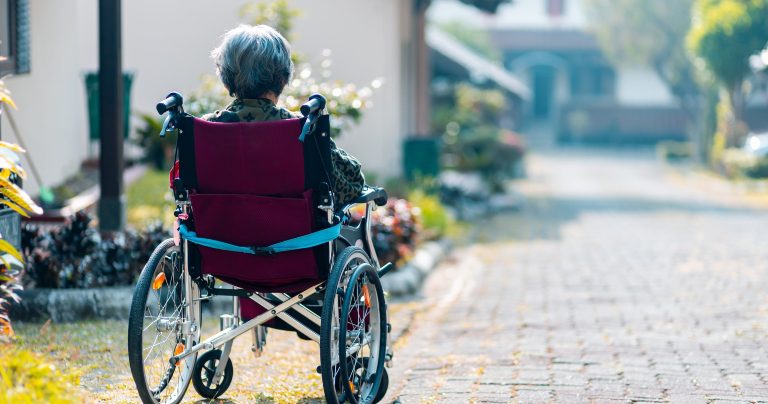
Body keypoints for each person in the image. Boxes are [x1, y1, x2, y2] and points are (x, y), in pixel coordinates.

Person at [203, 24, 365, 206]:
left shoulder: (204, 130)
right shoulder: (302, 128)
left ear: (226, 81)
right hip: (294, 232)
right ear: (283, 78)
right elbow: (353, 183)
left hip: (219, 231)